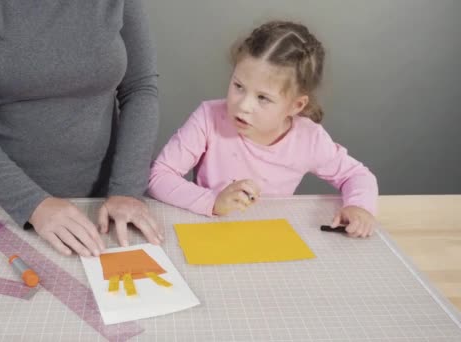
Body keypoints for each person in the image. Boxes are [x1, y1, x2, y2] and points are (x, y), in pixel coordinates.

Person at [0, 0, 163, 257]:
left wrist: (127, 189)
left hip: (103, 206)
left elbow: (140, 89)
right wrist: (34, 205)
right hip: (1, 205)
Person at [148, 20, 378, 238]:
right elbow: (159, 176)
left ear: (296, 105)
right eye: (238, 86)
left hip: (268, 239)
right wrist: (213, 201)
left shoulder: (309, 139)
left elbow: (355, 175)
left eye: (263, 98)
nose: (243, 105)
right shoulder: (209, 118)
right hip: (209, 233)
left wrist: (358, 206)